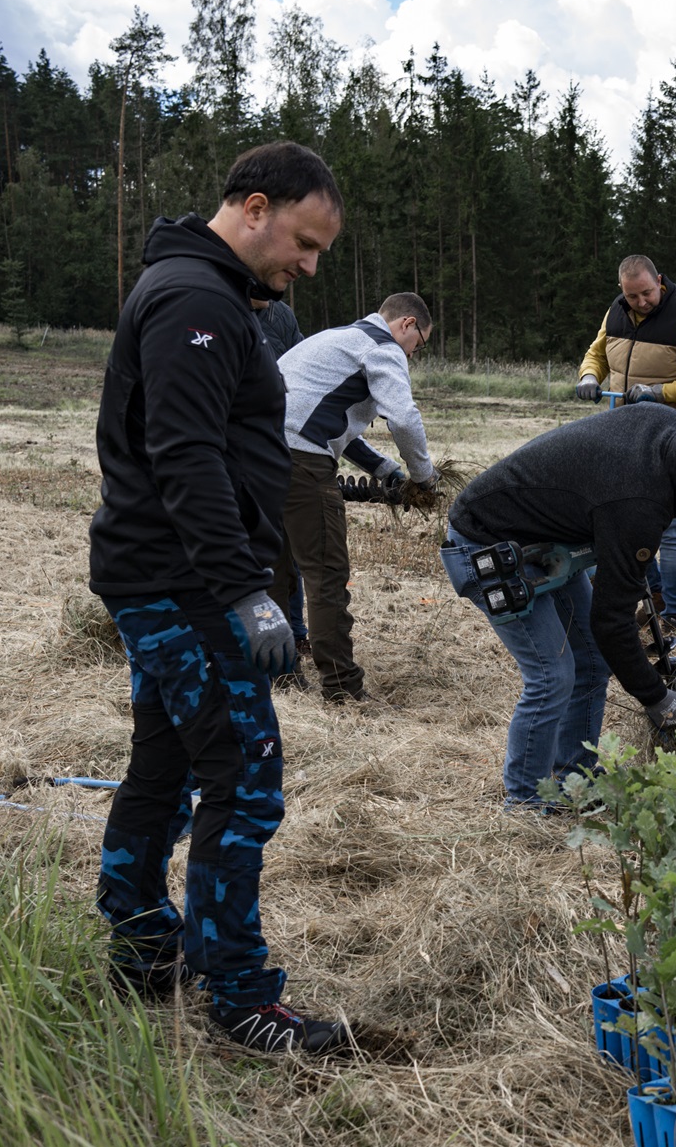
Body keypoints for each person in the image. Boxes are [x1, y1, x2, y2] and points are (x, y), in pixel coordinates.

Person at [87, 140, 351, 1053]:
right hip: (186, 584)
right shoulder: (197, 301)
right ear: (252, 206)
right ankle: (239, 996)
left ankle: (139, 947)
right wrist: (247, 591)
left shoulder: (201, 291)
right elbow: (185, 453)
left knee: (163, 765)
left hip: (162, 575)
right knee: (241, 774)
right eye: (303, 243)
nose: (307, 267)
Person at [441, 408, 676, 807]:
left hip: (546, 543)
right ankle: (526, 800)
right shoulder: (637, 500)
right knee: (552, 674)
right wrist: (657, 700)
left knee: (593, 662)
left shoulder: (672, 432)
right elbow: (611, 622)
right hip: (488, 543)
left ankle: (574, 779)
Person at [272, 292, 442, 704]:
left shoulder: (337, 339)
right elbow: (403, 417)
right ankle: (342, 687)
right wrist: (424, 479)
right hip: (302, 462)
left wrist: (384, 470)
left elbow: (326, 419)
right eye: (418, 345)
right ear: (406, 324)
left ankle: (276, 672)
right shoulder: (381, 346)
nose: (413, 355)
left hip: (259, 451)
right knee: (327, 574)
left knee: (274, 569)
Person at [575, 255, 676, 631]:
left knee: (672, 525)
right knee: (625, 520)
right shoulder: (618, 311)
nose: (640, 302)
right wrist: (590, 375)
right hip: (625, 434)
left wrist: (659, 393)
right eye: (632, 296)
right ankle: (653, 595)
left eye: (646, 293)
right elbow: (598, 351)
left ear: (659, 280)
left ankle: (675, 612)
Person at [252, 294, 310, 660]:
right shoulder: (223, 306)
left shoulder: (280, 314)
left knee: (287, 549)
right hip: (241, 441)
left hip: (283, 439)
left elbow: (301, 366)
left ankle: (295, 631)